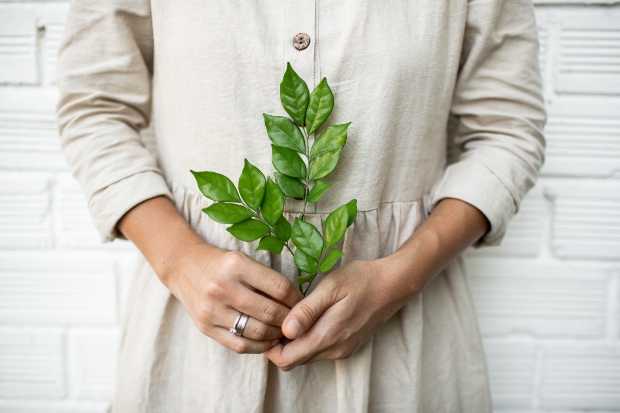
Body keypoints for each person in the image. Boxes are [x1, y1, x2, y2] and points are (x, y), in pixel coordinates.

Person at [56, 0, 545, 411]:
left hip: (402, 341)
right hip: (198, 348)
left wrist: (404, 276)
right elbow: (95, 106)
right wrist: (179, 259)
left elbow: (506, 129)